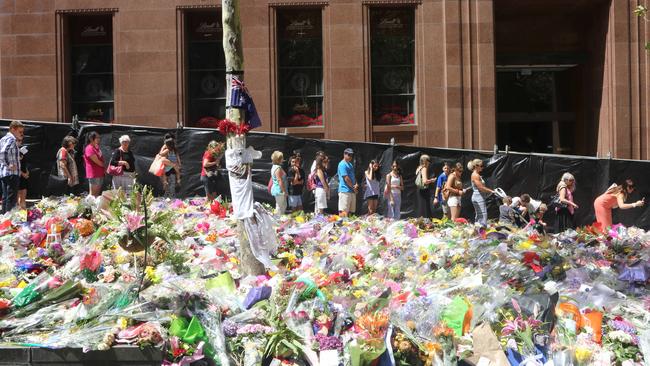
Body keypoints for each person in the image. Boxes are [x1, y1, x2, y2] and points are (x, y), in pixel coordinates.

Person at [0, 121, 24, 213]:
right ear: (13, 129)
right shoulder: (11, 139)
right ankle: (9, 221)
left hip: (4, 173)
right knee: (11, 199)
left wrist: (17, 157)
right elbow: (2, 153)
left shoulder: (3, 139)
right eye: (20, 131)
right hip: (11, 174)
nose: (22, 134)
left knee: (6, 198)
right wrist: (8, 164)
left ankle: (4, 220)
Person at [468, 158, 494, 226]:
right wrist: (492, 191)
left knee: (480, 215)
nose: (483, 167)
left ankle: (479, 231)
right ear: (476, 166)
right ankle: (482, 232)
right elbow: (481, 188)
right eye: (481, 166)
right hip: (478, 197)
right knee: (483, 215)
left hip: (479, 196)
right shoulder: (475, 175)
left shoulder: (476, 174)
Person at [83, 131, 105, 197]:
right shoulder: (89, 148)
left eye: (99, 137)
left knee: (97, 194)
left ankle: (95, 207)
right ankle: (88, 207)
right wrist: (106, 166)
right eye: (97, 137)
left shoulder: (96, 148)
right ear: (91, 139)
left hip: (100, 173)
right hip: (94, 173)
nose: (99, 139)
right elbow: (97, 161)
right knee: (92, 194)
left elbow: (101, 159)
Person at [337, 148, 358, 217]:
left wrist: (356, 184)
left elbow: (353, 176)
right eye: (349, 155)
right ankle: (342, 227)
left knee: (351, 212)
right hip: (344, 190)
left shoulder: (350, 164)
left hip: (351, 191)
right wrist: (353, 187)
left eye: (351, 155)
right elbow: (346, 178)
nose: (350, 157)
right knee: (343, 212)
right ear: (344, 154)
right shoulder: (342, 164)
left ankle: (349, 227)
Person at [17, 140, 29, 209]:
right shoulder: (14, 152)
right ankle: (18, 211)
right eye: (18, 141)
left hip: (24, 174)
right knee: (18, 194)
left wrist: (27, 171)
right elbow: (16, 165)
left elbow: (24, 163)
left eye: (21, 141)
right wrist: (22, 173)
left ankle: (23, 211)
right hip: (18, 175)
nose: (20, 142)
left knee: (23, 193)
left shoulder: (23, 150)